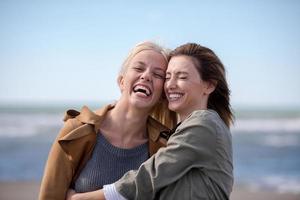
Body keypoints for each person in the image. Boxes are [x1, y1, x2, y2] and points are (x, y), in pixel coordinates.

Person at [67, 42, 234, 200]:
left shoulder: (204, 124)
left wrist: (82, 198)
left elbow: (150, 175)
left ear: (209, 86)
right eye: (167, 77)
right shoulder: (181, 131)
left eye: (182, 77)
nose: (171, 85)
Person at [38, 41, 177, 200]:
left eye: (158, 74)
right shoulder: (76, 130)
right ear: (122, 82)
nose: (146, 76)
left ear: (162, 95)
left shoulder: (165, 147)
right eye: (139, 68)